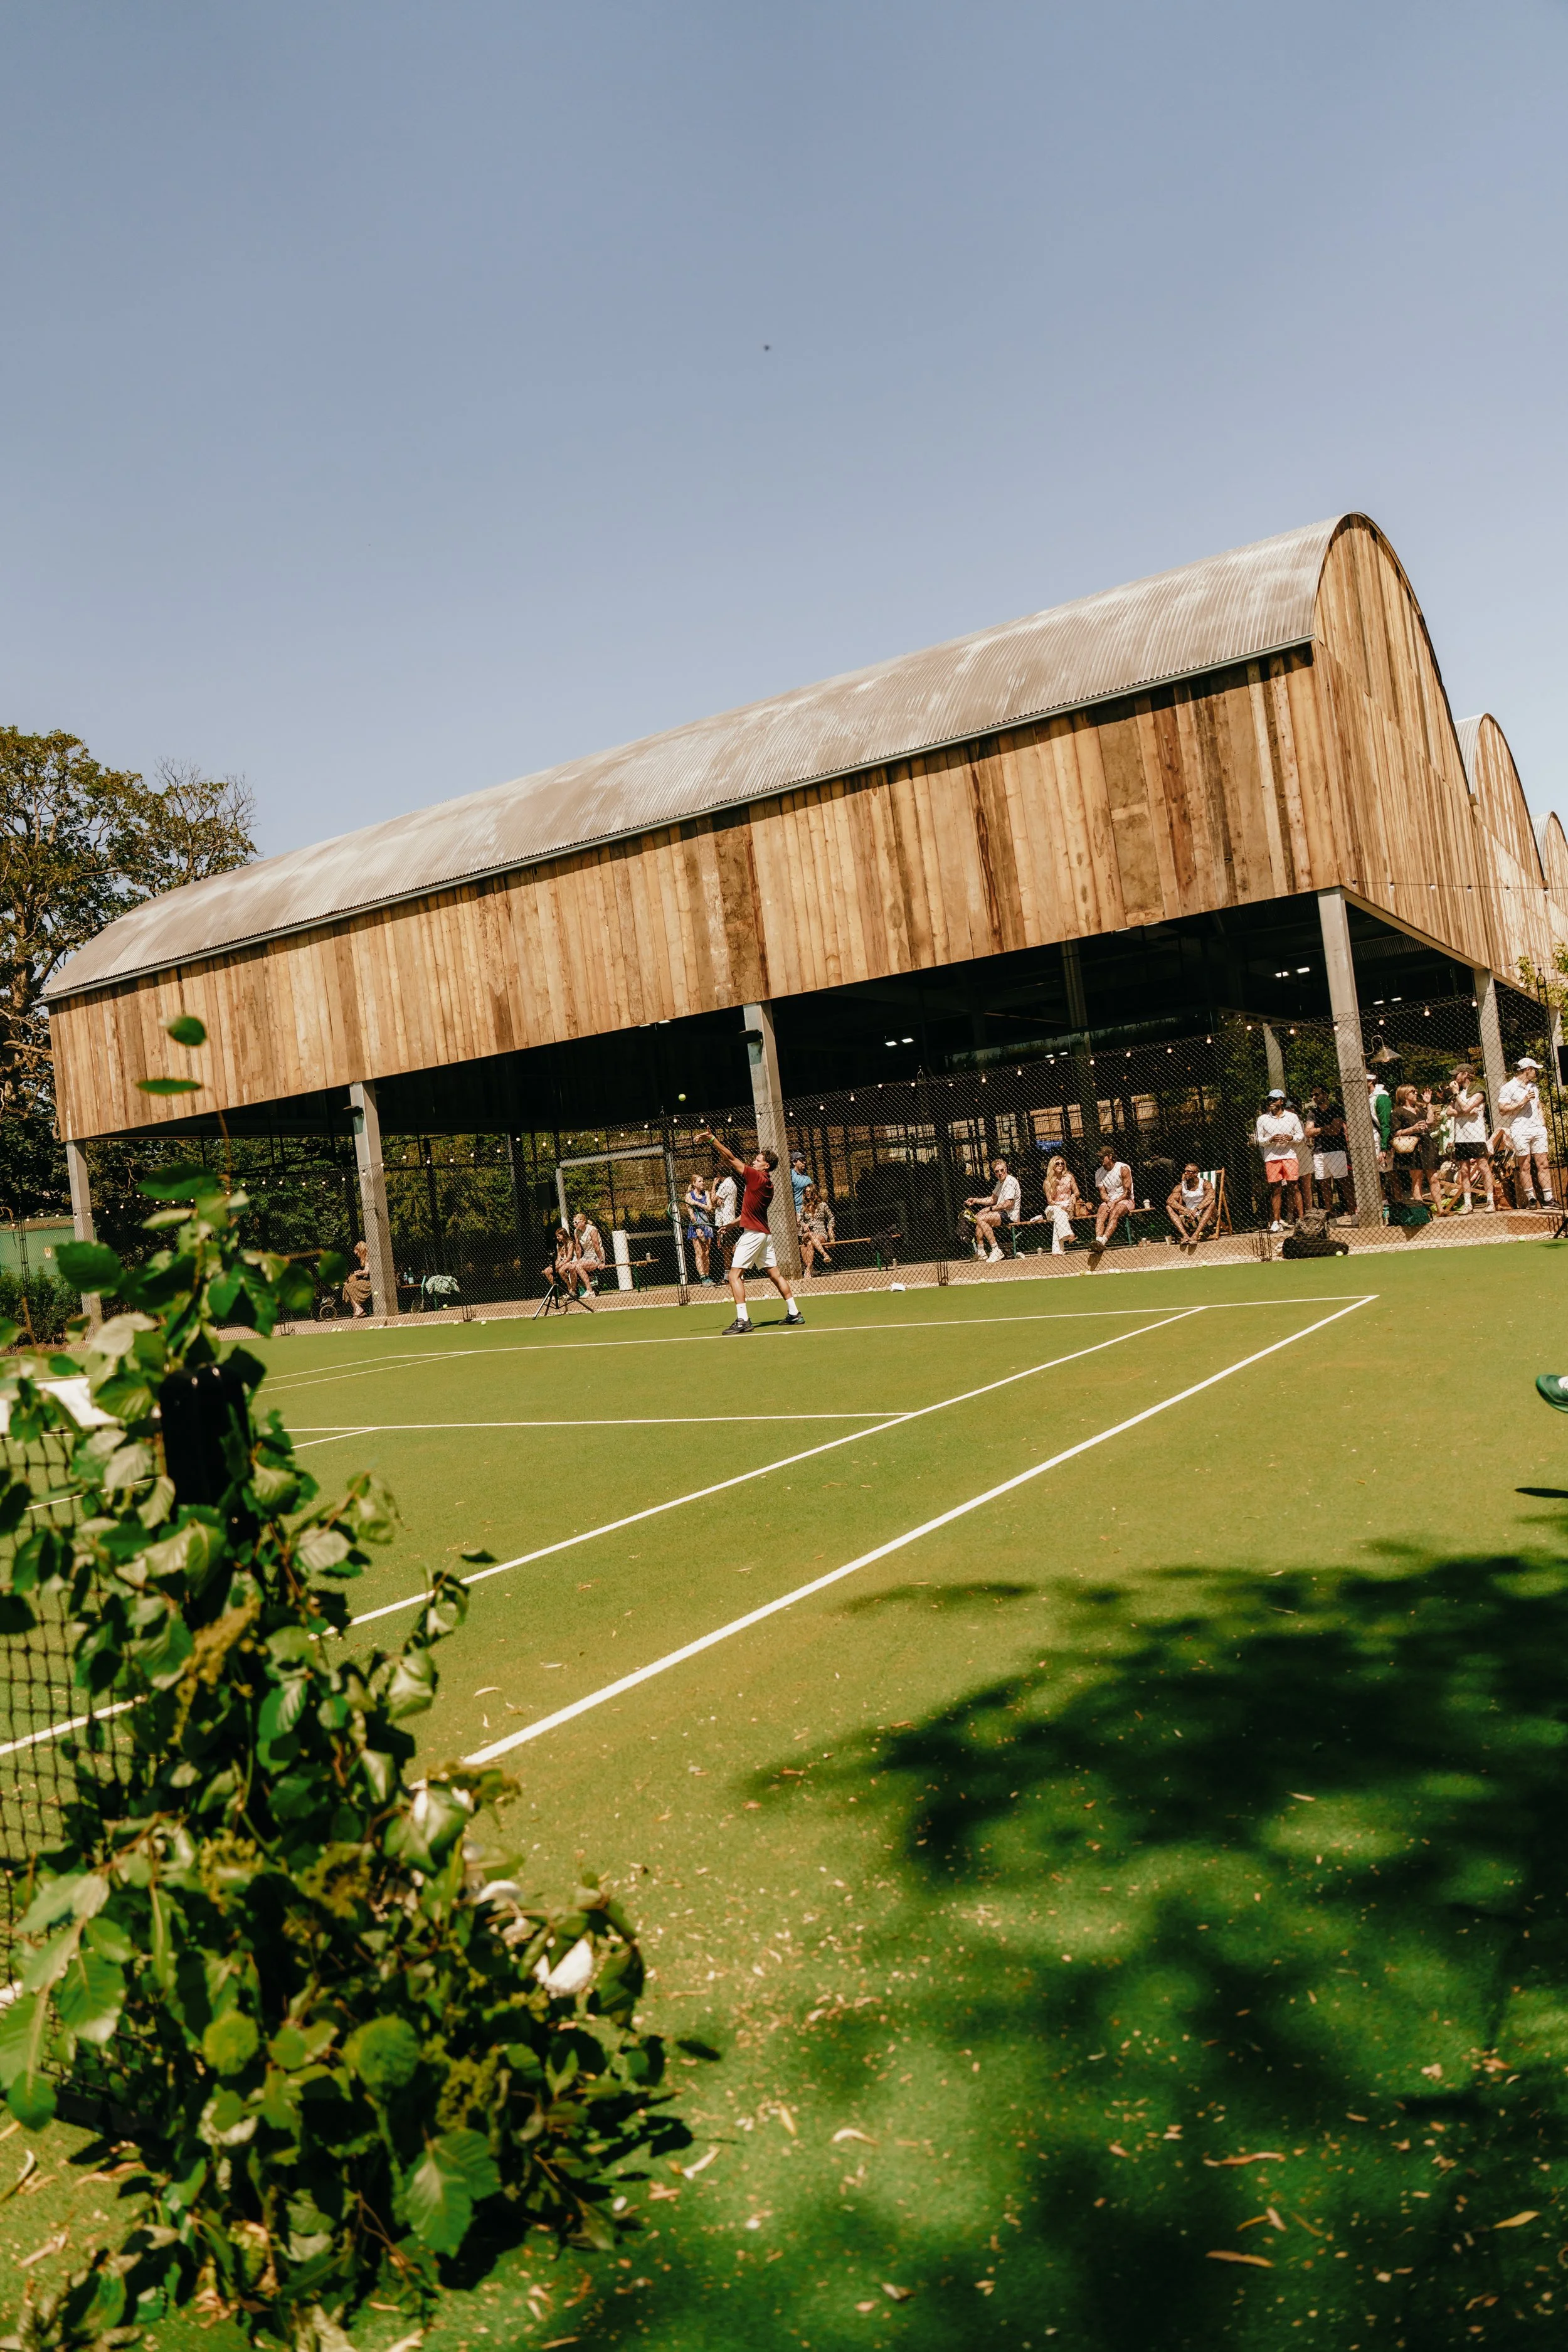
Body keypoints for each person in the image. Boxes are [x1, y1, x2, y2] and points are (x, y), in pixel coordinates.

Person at [697, 1130, 803, 1332]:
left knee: (734, 1276)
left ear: (767, 1165)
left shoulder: (755, 1177)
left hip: (754, 1235)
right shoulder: (768, 1185)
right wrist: (730, 1225)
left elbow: (730, 1158)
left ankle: (742, 1320)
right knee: (776, 1275)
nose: (753, 1162)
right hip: (764, 1235)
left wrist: (712, 1139)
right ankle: (794, 1313)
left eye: (757, 1160)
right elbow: (750, 1213)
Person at [1497, 1057, 1554, 1209]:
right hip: (1520, 1130)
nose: (1536, 1072)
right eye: (1534, 1069)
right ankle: (1531, 1200)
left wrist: (1543, 1125)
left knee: (1543, 1164)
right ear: (1527, 1070)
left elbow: (1539, 1106)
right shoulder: (1508, 1088)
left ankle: (1549, 1199)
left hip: (1537, 1129)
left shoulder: (1534, 1086)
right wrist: (1522, 1102)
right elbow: (1502, 1110)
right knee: (1525, 1165)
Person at [1254, 1089, 1305, 1232]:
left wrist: (1290, 1138)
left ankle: (1301, 1220)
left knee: (1294, 1187)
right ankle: (1276, 1222)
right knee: (1276, 1189)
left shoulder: (1292, 1117)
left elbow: (1300, 1136)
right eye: (1269, 1100)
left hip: (1290, 1155)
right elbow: (1258, 1139)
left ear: (1282, 1101)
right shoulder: (1262, 1119)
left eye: (1275, 1100)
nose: (1271, 1103)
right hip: (1272, 1158)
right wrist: (1270, 1139)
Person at [1304, 1084, 1355, 1221]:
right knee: (1324, 1184)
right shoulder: (1312, 1113)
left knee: (1345, 1182)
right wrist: (1325, 1128)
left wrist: (1318, 1131)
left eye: (1317, 1094)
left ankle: (1353, 1212)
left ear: (1325, 1094)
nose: (1314, 1098)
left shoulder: (1336, 1109)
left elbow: (1336, 1130)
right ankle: (1330, 1215)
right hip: (1319, 1152)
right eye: (1313, 1095)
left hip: (1337, 1150)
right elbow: (1308, 1132)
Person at [1448, 1069, 1495, 1214]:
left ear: (1465, 1074)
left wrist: (1458, 1098)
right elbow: (1449, 1112)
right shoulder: (1457, 1094)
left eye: (1457, 1074)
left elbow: (1466, 1106)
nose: (1455, 1077)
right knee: (1464, 1170)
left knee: (1483, 1167)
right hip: (1461, 1137)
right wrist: (1465, 1113)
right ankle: (1468, 1204)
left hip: (1476, 1136)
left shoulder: (1478, 1090)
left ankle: (1490, 1201)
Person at [1088, 1145, 1134, 1266]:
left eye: (1103, 1157)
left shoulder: (1123, 1168)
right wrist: (1109, 1201)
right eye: (1099, 1157)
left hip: (1126, 1200)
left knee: (1115, 1213)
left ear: (1110, 1156)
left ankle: (1104, 1240)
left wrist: (1115, 1202)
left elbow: (1127, 1192)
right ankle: (1098, 1241)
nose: (1100, 1159)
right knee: (1101, 1213)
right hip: (1110, 1200)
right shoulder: (1099, 1172)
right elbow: (1103, 1193)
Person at [967, 1158, 1021, 1261]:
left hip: (1010, 1215)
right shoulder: (1000, 1182)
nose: (1000, 1173)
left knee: (982, 1219)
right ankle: (981, 1251)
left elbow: (1008, 1204)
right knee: (979, 1217)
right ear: (994, 1172)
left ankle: (996, 1250)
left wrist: (989, 1209)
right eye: (997, 1171)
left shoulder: (1010, 1181)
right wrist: (975, 1200)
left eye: (1002, 1170)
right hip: (1001, 1213)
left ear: (1006, 1169)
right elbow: (993, 1199)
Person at [1389, 1084, 1433, 1206]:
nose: (1416, 1093)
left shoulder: (1419, 1108)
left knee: (1433, 1177)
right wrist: (1412, 1129)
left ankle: (1440, 1209)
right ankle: (1421, 1208)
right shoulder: (1397, 1112)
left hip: (1426, 1144)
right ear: (1405, 1095)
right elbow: (1395, 1133)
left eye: (1416, 1091)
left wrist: (1428, 1104)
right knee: (1417, 1177)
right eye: (1413, 1092)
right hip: (1412, 1147)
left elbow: (1430, 1121)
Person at [1165, 1165, 1216, 1255]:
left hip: (1205, 1215)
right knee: (1168, 1207)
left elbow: (1211, 1196)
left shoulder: (1205, 1184)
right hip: (1188, 1217)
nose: (1186, 1173)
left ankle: (1196, 1235)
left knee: (1212, 1204)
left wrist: (1197, 1210)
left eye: (1189, 1172)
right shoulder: (1181, 1186)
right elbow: (1170, 1201)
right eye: (1185, 1171)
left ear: (1196, 1173)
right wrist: (1185, 1210)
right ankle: (1185, 1236)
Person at [544, 1226, 595, 1310]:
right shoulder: (559, 1244)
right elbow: (559, 1257)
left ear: (563, 1235)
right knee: (547, 1271)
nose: (557, 1238)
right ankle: (559, 1290)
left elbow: (569, 1258)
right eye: (557, 1236)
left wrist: (559, 1266)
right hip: (561, 1262)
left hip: (570, 1261)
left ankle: (570, 1289)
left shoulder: (570, 1243)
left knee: (561, 1271)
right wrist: (555, 1265)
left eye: (559, 1236)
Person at [1040, 1153, 1083, 1254]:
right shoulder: (1048, 1182)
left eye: (1062, 1164)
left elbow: (1077, 1192)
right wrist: (1060, 1206)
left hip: (1068, 1206)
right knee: (1058, 1211)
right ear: (1052, 1166)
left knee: (1059, 1218)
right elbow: (1050, 1201)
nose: (1060, 1165)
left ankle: (1057, 1251)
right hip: (1053, 1207)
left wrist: (1073, 1196)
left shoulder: (1069, 1177)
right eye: (1057, 1164)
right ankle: (1069, 1234)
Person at [684, 1173, 716, 1281]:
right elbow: (691, 1213)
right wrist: (697, 1228)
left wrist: (697, 1203)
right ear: (694, 1184)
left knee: (706, 1252)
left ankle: (707, 1276)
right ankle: (702, 1277)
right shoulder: (689, 1196)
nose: (703, 1183)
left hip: (706, 1224)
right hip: (696, 1225)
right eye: (700, 1181)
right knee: (699, 1253)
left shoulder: (706, 1193)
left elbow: (710, 1208)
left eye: (703, 1181)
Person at [798, 1182, 835, 1274]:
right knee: (810, 1235)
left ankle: (808, 1270)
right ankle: (825, 1255)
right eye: (806, 1192)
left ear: (815, 1192)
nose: (807, 1194)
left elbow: (831, 1217)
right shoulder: (804, 1207)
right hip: (807, 1234)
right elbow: (800, 1220)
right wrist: (803, 1224)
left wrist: (830, 1228)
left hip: (821, 1234)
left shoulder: (823, 1205)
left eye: (810, 1192)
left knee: (810, 1243)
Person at [573, 1212, 607, 1293]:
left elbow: (596, 1246)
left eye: (576, 1222)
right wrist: (578, 1259)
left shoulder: (592, 1230)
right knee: (571, 1267)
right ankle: (572, 1292)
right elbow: (578, 1247)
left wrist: (602, 1261)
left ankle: (590, 1291)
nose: (574, 1224)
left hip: (596, 1255)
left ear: (583, 1222)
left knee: (578, 1266)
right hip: (587, 1255)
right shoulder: (576, 1232)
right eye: (573, 1222)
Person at [342, 1239, 373, 1316]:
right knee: (347, 1287)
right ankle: (357, 1309)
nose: (357, 1256)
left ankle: (358, 1309)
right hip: (367, 1280)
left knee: (348, 1287)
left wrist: (359, 1273)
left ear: (362, 1250)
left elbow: (367, 1272)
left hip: (370, 1282)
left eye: (357, 1254)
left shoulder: (368, 1257)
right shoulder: (366, 1258)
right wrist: (360, 1271)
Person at [789, 1153, 813, 1219]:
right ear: (794, 1162)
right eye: (801, 1161)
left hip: (809, 1208)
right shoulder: (790, 1175)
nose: (804, 1162)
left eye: (804, 1160)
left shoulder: (807, 1177)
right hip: (797, 1210)